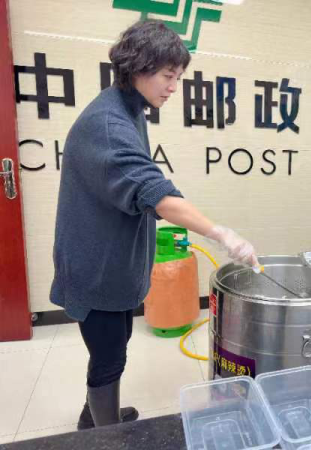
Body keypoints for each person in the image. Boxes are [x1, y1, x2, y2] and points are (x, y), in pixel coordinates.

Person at [50, 20, 259, 429]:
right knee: (109, 358)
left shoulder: (130, 109)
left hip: (115, 265)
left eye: (178, 77)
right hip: (96, 268)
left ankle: (93, 418)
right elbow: (157, 195)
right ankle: (105, 436)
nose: (173, 87)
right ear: (138, 67)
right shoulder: (107, 125)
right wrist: (221, 233)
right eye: (168, 76)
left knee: (114, 348)